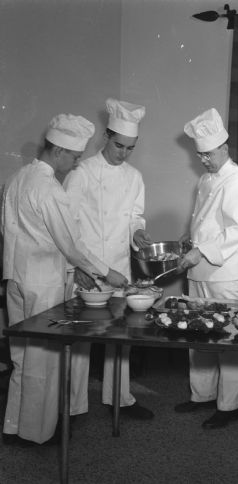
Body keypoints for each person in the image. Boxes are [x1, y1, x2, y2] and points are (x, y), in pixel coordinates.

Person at [1, 114, 128, 445]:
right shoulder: (49, 189)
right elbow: (71, 247)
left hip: (15, 278)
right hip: (42, 285)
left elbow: (10, 231)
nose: (75, 164)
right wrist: (106, 271)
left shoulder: (17, 178)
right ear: (57, 151)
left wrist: (76, 268)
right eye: (73, 156)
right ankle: (39, 433)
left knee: (21, 357)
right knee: (45, 361)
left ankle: (15, 426)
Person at [64, 98, 154, 421]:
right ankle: (73, 407)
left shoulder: (134, 177)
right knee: (82, 339)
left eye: (130, 148)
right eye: (119, 146)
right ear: (106, 136)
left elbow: (135, 218)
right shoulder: (82, 172)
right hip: (88, 267)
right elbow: (68, 226)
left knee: (121, 337)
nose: (124, 154)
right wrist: (76, 268)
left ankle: (121, 397)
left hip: (119, 267)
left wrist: (138, 234)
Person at [175, 108, 238, 429]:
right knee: (198, 332)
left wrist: (201, 251)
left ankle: (230, 405)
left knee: (227, 338)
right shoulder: (207, 179)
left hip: (223, 271)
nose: (203, 160)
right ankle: (202, 395)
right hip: (199, 269)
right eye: (199, 155)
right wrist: (189, 238)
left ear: (224, 147)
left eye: (207, 154)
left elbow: (235, 232)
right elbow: (206, 221)